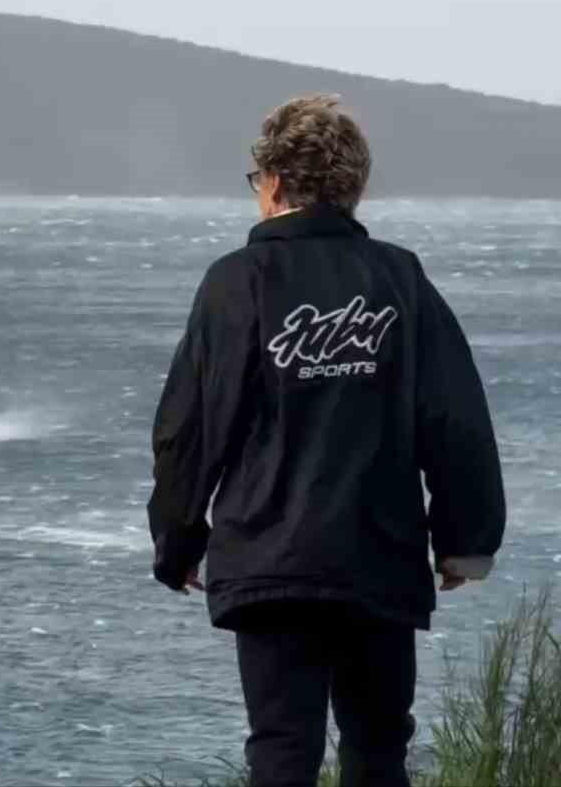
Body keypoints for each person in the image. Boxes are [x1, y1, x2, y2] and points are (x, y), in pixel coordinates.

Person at [146, 95, 505, 787]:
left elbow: (188, 426)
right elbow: (455, 414)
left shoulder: (236, 281)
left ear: (274, 182)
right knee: (377, 749)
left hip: (269, 559)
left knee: (282, 749)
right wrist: (466, 537)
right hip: (378, 555)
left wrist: (179, 539)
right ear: (353, 189)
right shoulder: (400, 277)